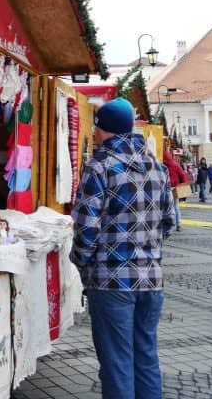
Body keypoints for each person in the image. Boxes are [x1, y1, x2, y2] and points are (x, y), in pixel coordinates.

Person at [72, 98, 174, 398]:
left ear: (103, 129)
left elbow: (85, 228)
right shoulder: (157, 167)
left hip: (110, 279)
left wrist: (81, 262)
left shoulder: (99, 166)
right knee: (146, 357)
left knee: (116, 362)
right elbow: (168, 222)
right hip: (151, 279)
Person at [163, 149, 189, 232]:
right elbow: (183, 175)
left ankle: (168, 224)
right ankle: (178, 225)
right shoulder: (176, 165)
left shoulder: (162, 166)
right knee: (176, 207)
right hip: (175, 188)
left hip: (166, 188)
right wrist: (184, 186)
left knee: (165, 207)